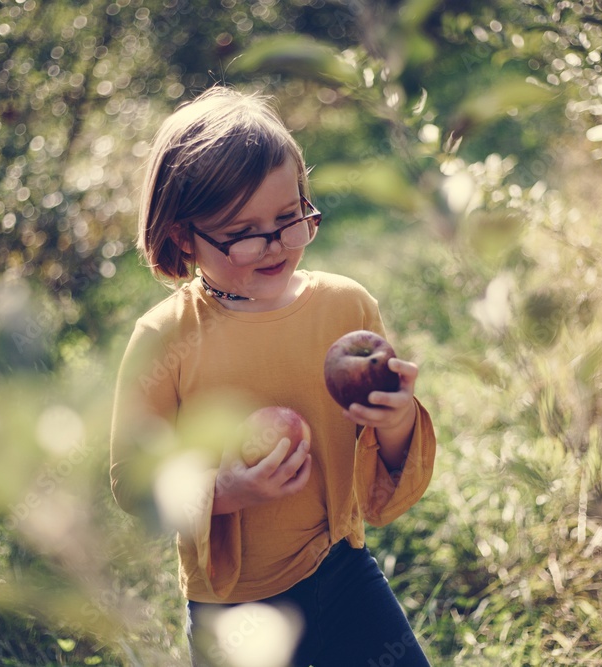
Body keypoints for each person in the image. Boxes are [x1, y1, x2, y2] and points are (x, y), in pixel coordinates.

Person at [110, 86, 436, 666]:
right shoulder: (165, 339)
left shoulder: (346, 307)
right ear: (184, 236)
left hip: (341, 566)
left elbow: (384, 460)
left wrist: (397, 419)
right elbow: (133, 480)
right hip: (234, 600)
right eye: (242, 232)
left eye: (290, 218)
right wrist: (226, 490)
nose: (275, 244)